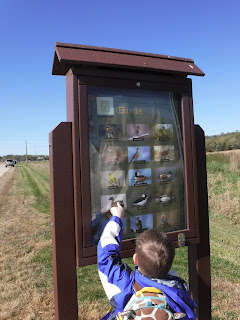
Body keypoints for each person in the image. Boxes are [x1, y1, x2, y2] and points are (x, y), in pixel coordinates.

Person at [97, 203, 197, 320]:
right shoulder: (178, 292)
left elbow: (106, 257)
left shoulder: (125, 283)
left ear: (135, 259)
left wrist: (116, 218)